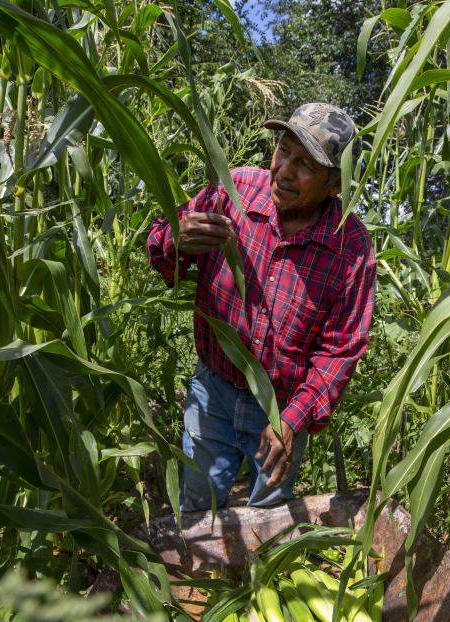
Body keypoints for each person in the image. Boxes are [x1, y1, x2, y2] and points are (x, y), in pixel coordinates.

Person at [148, 103, 377, 512]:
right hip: (212, 390)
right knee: (198, 511)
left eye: (306, 163)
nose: (285, 169)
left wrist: (293, 419)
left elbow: (340, 352)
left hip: (281, 410)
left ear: (335, 185)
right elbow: (162, 250)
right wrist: (176, 239)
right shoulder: (234, 191)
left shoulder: (351, 248)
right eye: (284, 150)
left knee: (268, 522)